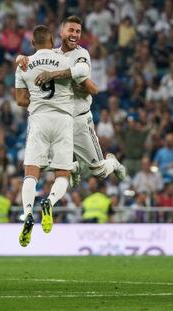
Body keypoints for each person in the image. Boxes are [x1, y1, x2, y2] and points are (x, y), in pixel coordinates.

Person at [17, 16, 126, 186]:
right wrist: (21, 58)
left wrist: (52, 74)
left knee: (99, 171)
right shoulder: (53, 54)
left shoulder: (82, 53)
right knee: (39, 163)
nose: (74, 34)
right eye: (71, 30)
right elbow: (33, 59)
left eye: (78, 31)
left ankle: (112, 162)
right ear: (61, 33)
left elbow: (83, 72)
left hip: (79, 120)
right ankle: (74, 167)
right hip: (58, 119)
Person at [15, 25, 97, 247]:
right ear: (52, 41)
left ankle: (28, 213)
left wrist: (39, 101)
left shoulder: (23, 64)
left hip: (39, 119)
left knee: (31, 172)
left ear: (33, 44)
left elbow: (20, 101)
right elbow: (87, 85)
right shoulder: (65, 61)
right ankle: (49, 202)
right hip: (63, 120)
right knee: (63, 172)